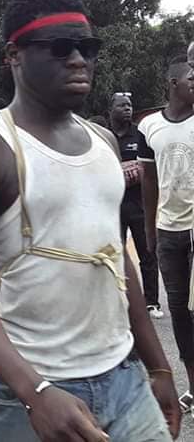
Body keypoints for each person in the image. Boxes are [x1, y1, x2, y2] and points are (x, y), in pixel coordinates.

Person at [0, 0, 179, 441]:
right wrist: (35, 392)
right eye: (59, 47)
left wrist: (159, 366)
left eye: (87, 48)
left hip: (124, 381)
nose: (78, 60)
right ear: (14, 54)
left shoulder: (102, 141)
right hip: (32, 393)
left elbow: (114, 259)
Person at [139, 55, 194, 416]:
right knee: (179, 314)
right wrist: (149, 231)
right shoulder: (149, 127)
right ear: (173, 83)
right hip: (168, 230)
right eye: (192, 78)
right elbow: (149, 182)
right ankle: (192, 386)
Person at [109, 92, 163, 318]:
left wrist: (129, 170)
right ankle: (120, 299)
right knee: (116, 256)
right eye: (122, 106)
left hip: (138, 205)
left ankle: (152, 303)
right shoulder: (106, 137)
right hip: (113, 207)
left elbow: (148, 168)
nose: (128, 109)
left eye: (130, 105)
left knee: (147, 254)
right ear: (111, 110)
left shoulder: (139, 134)